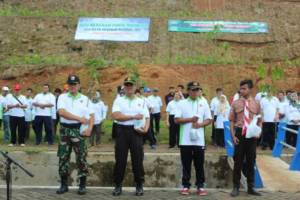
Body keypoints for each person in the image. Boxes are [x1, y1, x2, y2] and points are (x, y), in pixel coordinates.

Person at [111, 77, 150, 196]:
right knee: (120, 160)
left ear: (135, 87)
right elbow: (116, 116)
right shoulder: (119, 100)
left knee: (137, 160)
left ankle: (139, 185)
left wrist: (146, 129)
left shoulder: (142, 101)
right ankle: (118, 185)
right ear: (124, 87)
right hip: (122, 131)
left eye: (131, 85)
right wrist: (133, 116)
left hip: (136, 132)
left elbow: (147, 117)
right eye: (127, 85)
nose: (129, 87)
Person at [56, 75, 94, 195]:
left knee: (81, 158)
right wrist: (79, 118)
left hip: (79, 131)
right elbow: (61, 112)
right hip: (65, 130)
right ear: (67, 85)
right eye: (70, 84)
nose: (72, 86)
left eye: (75, 84)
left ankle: (82, 185)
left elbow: (92, 116)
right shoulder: (62, 97)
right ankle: (63, 184)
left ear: (79, 85)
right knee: (63, 157)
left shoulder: (85, 99)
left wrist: (90, 129)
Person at [175, 81, 212, 196]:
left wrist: (200, 125)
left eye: (197, 89)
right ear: (188, 91)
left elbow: (209, 119)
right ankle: (186, 186)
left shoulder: (203, 102)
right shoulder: (182, 103)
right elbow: (176, 120)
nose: (195, 92)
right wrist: (190, 119)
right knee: (186, 164)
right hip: (185, 140)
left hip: (199, 140)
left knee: (199, 164)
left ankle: (200, 186)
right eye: (193, 89)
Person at [230, 79, 262, 197]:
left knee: (251, 161)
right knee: (238, 161)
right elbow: (231, 121)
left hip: (252, 134)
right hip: (240, 134)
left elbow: (259, 120)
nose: (241, 90)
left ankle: (251, 187)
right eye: (241, 88)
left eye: (244, 88)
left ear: (250, 89)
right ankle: (236, 187)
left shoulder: (257, 103)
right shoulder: (236, 103)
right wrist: (233, 136)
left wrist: (259, 131)